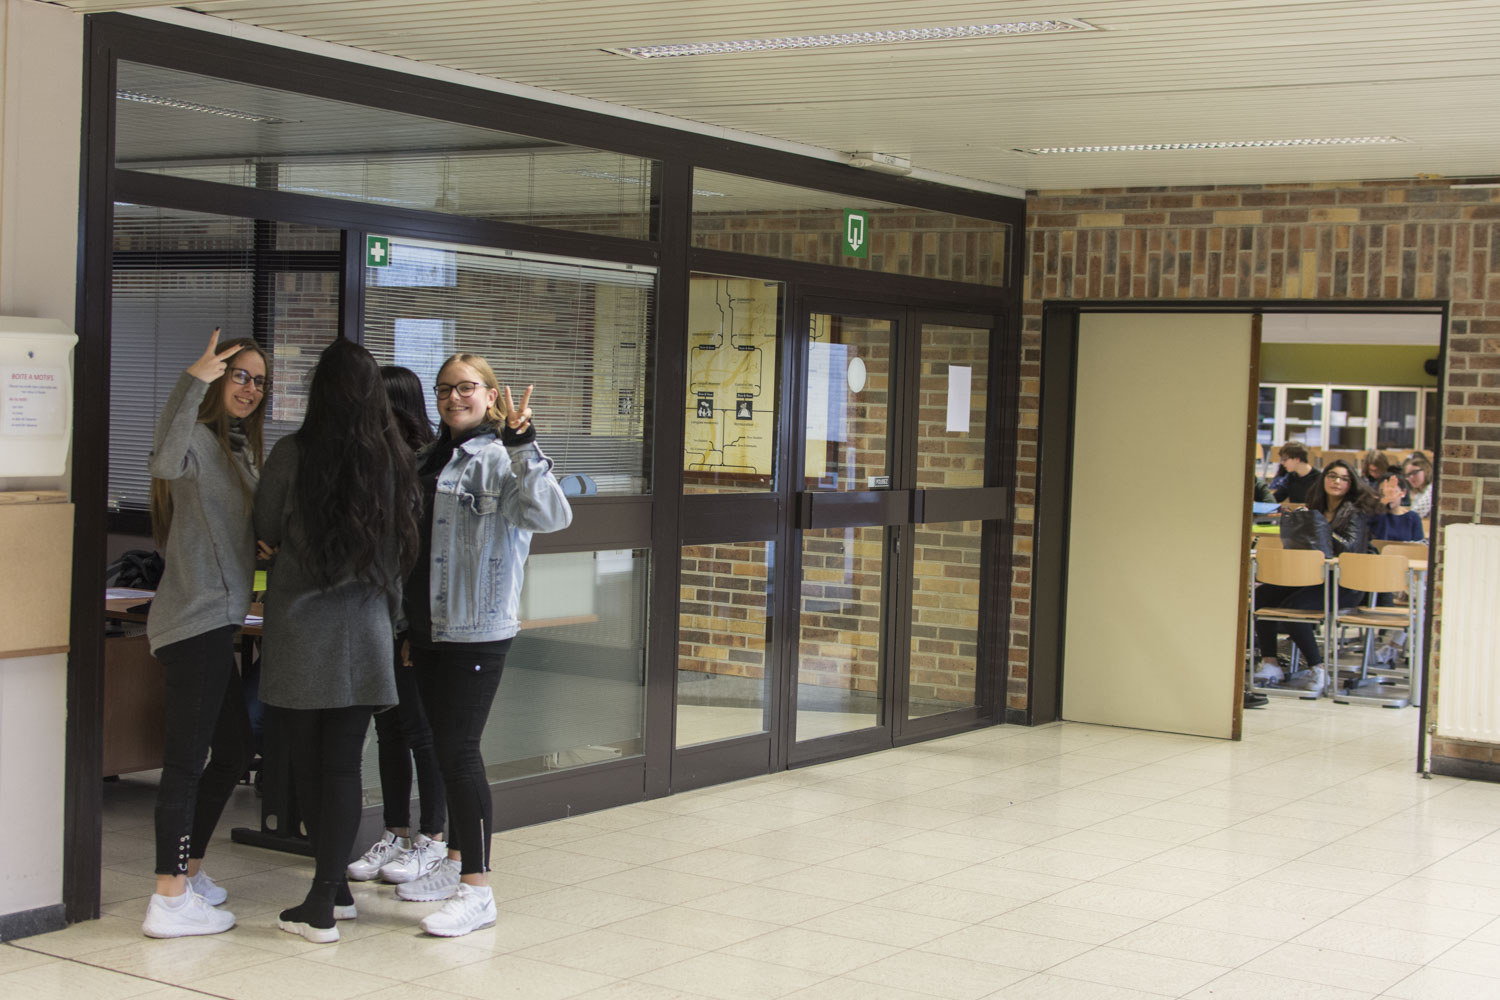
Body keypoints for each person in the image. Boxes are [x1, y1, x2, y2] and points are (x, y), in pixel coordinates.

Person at [395, 353, 571, 938]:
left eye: (467, 388)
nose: (454, 398)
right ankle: (450, 866)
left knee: (461, 751)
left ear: (490, 394)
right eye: (445, 389)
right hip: (426, 627)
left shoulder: (501, 459)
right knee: (444, 752)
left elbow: (553, 515)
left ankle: (478, 888)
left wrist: (525, 445)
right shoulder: (426, 457)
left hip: (478, 628)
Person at [254, 339, 420, 944]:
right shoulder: (395, 461)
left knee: (308, 766)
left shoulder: (292, 454)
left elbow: (266, 527)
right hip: (367, 628)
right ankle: (338, 890)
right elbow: (403, 552)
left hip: (302, 629)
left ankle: (322, 902)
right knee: (344, 766)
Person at [141, 329, 266, 938]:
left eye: (258, 380)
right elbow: (162, 459)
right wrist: (193, 379)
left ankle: (188, 871)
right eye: (238, 375)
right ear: (218, 380)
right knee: (187, 762)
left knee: (237, 755)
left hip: (222, 620)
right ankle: (168, 896)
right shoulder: (191, 440)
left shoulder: (239, 451)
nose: (249, 388)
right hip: (193, 622)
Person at [345, 366, 450, 886]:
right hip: (376, 619)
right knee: (387, 728)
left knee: (419, 730)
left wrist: (411, 629)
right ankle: (394, 831)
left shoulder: (423, 467)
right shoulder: (374, 463)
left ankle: (432, 836)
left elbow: (417, 556)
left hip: (409, 623)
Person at [1253, 460, 1378, 696]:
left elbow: (1349, 550)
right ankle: (1270, 663)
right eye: (1332, 476)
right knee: (1263, 595)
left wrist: (1320, 527)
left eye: (1343, 478)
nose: (1337, 482)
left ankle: (1317, 667)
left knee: (1293, 607)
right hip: (1311, 578)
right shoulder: (1314, 508)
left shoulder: (1354, 513)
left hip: (1344, 584)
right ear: (1324, 480)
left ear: (1351, 484)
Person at [1369, 469, 1424, 544]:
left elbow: (1418, 547)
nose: (1389, 496)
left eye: (1394, 492)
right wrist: (1382, 506)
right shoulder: (1374, 515)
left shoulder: (1413, 517)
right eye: (1383, 492)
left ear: (1403, 493)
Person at [1403, 453, 1434, 518]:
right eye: (1408, 475)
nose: (1411, 477)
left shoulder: (1432, 489)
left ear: (1426, 470)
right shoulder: (1419, 493)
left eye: (1414, 472)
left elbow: (1416, 514)